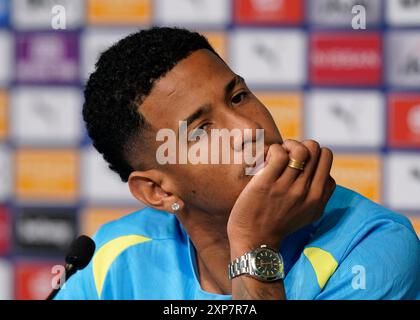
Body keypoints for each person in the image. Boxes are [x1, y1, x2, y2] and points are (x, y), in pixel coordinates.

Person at [55, 27, 419, 300]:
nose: (248, 129)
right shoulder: (110, 258)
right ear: (158, 190)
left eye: (239, 96)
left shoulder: (372, 245)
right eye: (201, 130)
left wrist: (253, 246)